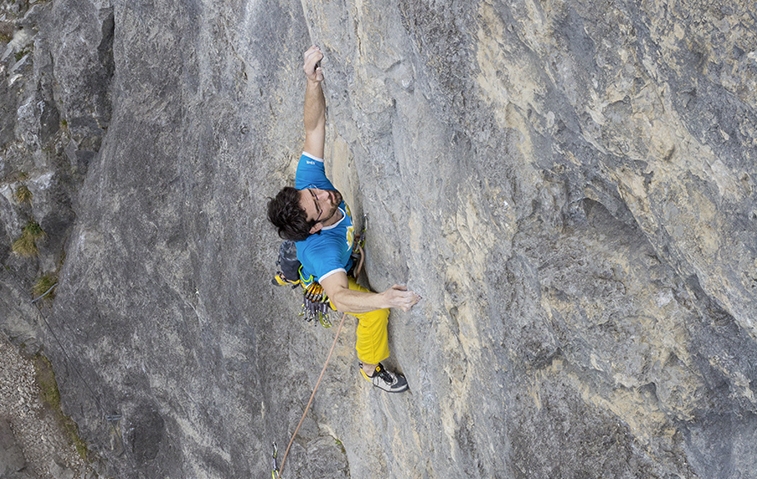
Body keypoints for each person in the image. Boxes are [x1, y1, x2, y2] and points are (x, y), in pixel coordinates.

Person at [267, 46, 421, 393]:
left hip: (313, 245)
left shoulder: (310, 185)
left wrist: (311, 81)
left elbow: (315, 126)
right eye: (319, 204)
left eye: (316, 195)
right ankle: (370, 367)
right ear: (316, 226)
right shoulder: (324, 251)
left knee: (296, 255)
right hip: (321, 262)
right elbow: (338, 298)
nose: (325, 195)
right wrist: (385, 299)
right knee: (372, 313)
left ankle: (286, 272)